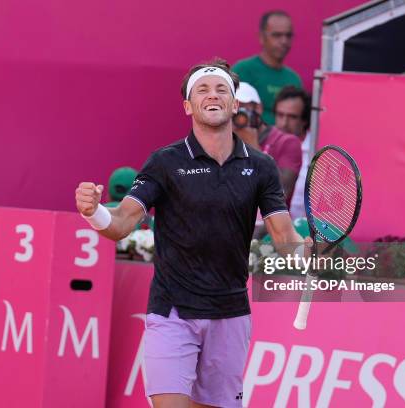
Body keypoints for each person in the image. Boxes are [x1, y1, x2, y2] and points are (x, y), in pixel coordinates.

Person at [75, 58, 307, 408]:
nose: (212, 95)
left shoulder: (261, 167)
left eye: (221, 90)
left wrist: (306, 253)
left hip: (230, 315)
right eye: (202, 89)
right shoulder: (164, 162)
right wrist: (94, 212)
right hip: (172, 313)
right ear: (188, 105)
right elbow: (121, 223)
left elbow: (284, 238)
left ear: (233, 103)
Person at [233, 82, 302, 207]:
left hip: (269, 224)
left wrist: (252, 145)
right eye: (232, 108)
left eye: (242, 107)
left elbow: (282, 190)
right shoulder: (224, 142)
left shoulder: (286, 142)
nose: (236, 113)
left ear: (258, 108)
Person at [232, 10, 303, 125]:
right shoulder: (243, 70)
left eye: (288, 35)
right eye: (277, 35)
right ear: (261, 37)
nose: (284, 41)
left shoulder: (294, 79)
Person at [272, 86, 313, 219]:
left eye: (292, 117)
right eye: (280, 115)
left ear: (305, 120)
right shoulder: (265, 143)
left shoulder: (316, 149)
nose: (284, 123)